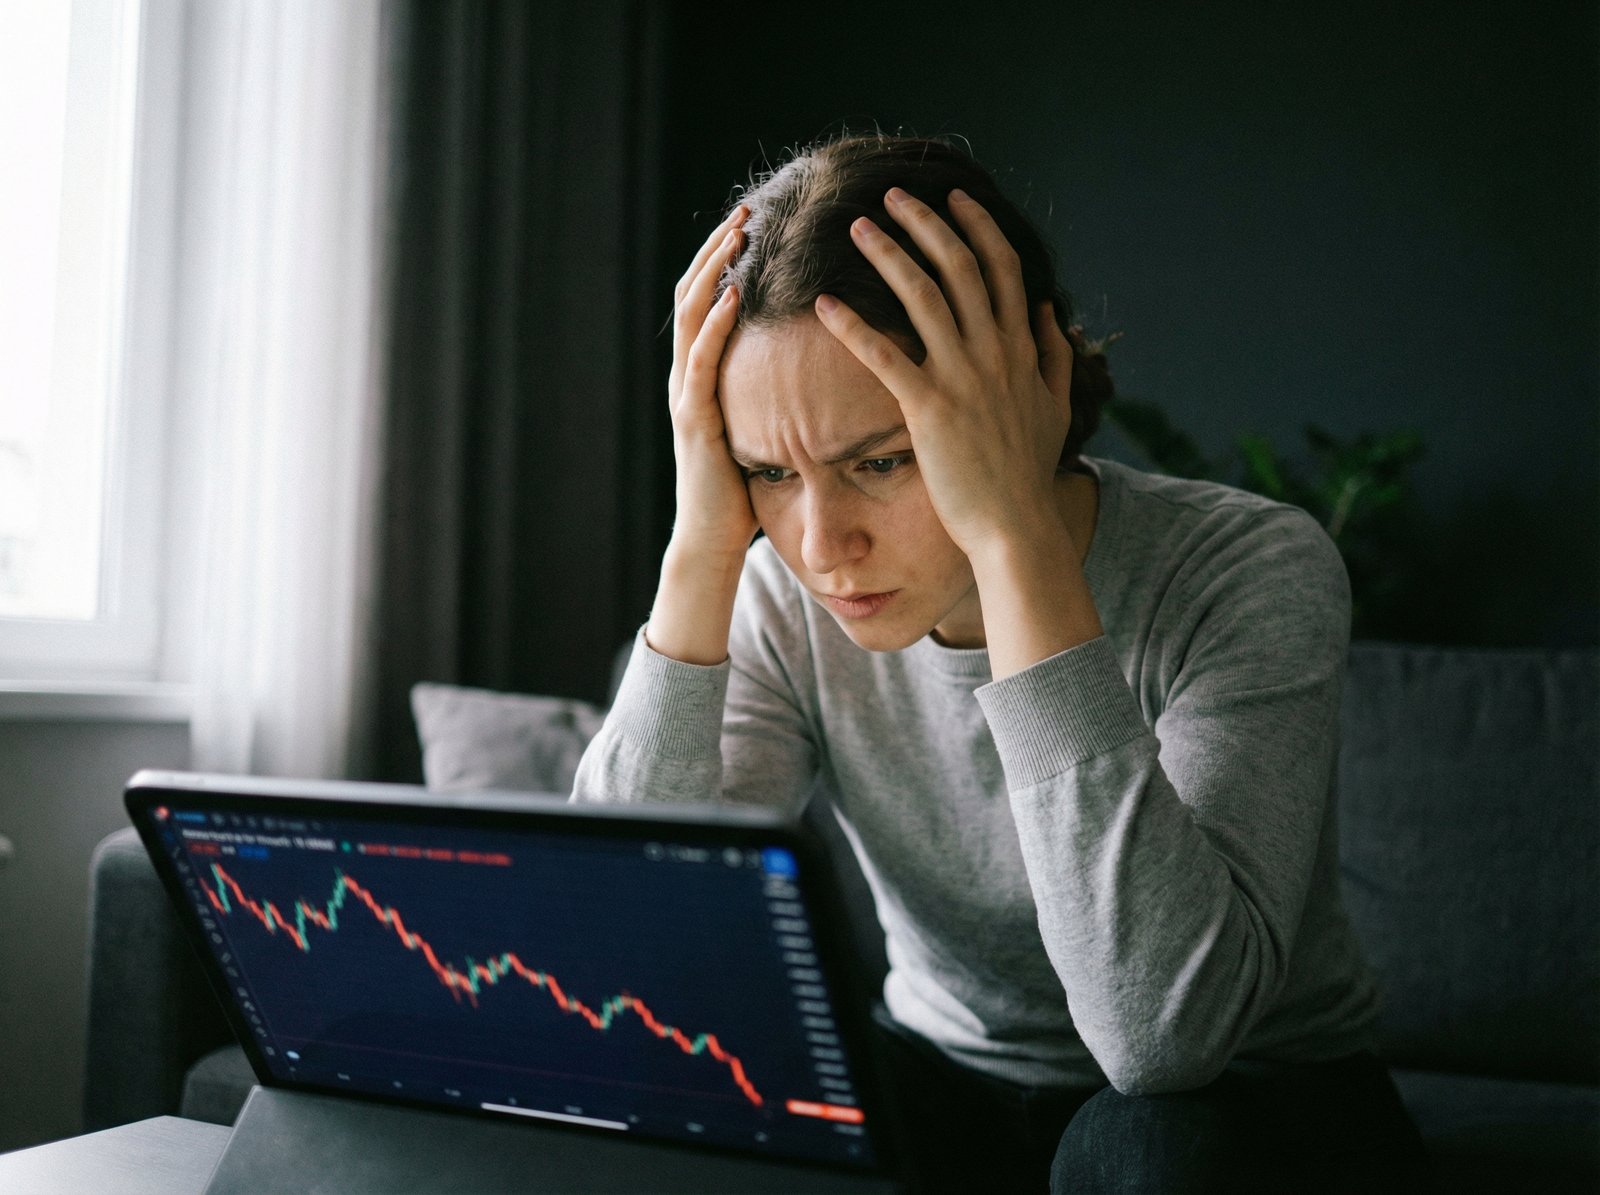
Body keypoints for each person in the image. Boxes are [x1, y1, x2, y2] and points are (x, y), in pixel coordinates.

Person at [571, 131, 1429, 1193]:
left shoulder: (1246, 567)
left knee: (1150, 1148)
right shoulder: (777, 595)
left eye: (879, 460)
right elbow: (615, 947)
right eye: (765, 472)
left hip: (1249, 1105)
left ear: (1025, 393)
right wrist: (701, 547)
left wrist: (1015, 537)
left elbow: (1162, 1036)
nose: (820, 544)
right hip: (941, 1082)